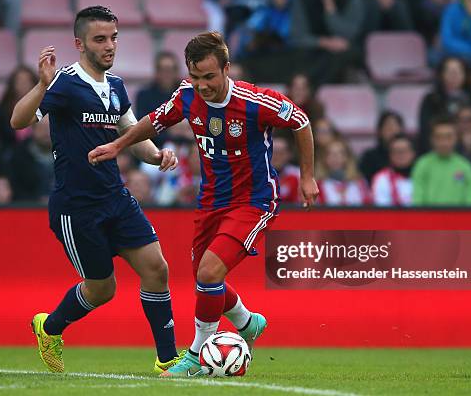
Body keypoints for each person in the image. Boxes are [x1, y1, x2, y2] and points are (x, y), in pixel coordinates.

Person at [88, 31, 318, 377]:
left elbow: (300, 121)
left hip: (253, 200)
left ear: (226, 68)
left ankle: (196, 356)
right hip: (211, 201)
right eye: (196, 77)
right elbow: (154, 120)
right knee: (204, 279)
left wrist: (307, 177)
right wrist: (119, 146)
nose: (202, 85)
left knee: (210, 273)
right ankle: (247, 322)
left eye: (209, 76)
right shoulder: (186, 96)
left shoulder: (256, 101)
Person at [9, 6, 181, 374]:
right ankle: (49, 327)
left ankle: (168, 360)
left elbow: (132, 134)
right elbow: (18, 121)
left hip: (115, 198)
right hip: (77, 207)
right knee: (103, 290)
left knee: (157, 268)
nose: (109, 46)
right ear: (80, 44)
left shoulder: (117, 86)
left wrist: (158, 155)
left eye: (114, 38)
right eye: (100, 39)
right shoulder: (65, 84)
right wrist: (41, 84)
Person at [412, 115, 471, 205]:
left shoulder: (466, 166)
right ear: (431, 139)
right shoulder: (422, 164)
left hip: (459, 218)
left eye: (449, 137)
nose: (444, 142)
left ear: (456, 138)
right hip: (428, 218)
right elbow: (417, 201)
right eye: (439, 137)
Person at [418, 56, 471, 153]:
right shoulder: (431, 99)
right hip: (435, 150)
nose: (454, 75)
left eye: (458, 71)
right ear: (441, 75)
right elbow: (425, 132)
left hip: (464, 150)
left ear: (465, 75)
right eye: (450, 71)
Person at [316, 138, 370, 206]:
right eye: (330, 153)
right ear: (323, 158)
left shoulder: (360, 183)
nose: (335, 157)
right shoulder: (316, 186)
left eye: (340, 153)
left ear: (347, 157)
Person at [359, 110, 405, 182]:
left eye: (395, 127)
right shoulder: (370, 157)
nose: (393, 131)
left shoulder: (409, 155)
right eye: (389, 128)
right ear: (380, 131)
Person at [371, 134, 416, 206]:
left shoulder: (422, 175)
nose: (401, 155)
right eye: (397, 151)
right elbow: (381, 209)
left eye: (405, 150)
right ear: (390, 155)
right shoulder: (382, 178)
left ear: (413, 153)